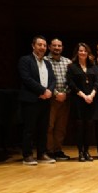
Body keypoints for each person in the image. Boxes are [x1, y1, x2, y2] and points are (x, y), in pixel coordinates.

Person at [18, 35, 56, 165]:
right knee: (29, 129)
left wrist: (49, 91)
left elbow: (52, 79)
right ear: (33, 46)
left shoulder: (47, 63)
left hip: (45, 100)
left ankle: (42, 153)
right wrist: (42, 91)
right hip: (31, 99)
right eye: (40, 45)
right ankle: (27, 155)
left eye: (44, 45)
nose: (42, 47)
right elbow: (26, 79)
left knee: (43, 128)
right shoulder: (25, 60)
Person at [67, 43, 98, 162]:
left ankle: (87, 151)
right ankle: (80, 152)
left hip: (91, 100)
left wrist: (91, 95)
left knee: (89, 127)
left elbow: (97, 82)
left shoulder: (94, 67)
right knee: (79, 127)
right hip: (78, 100)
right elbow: (71, 84)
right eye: (80, 51)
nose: (83, 53)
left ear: (88, 53)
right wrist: (83, 95)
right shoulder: (72, 67)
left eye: (85, 51)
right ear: (77, 52)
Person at [45, 38, 72, 161]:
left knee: (61, 127)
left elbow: (71, 80)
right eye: (54, 46)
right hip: (50, 98)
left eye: (59, 46)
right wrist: (56, 93)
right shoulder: (44, 61)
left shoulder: (68, 62)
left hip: (65, 98)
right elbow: (44, 80)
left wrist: (65, 93)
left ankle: (58, 150)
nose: (57, 48)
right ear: (49, 47)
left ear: (62, 47)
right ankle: (49, 151)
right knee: (49, 126)